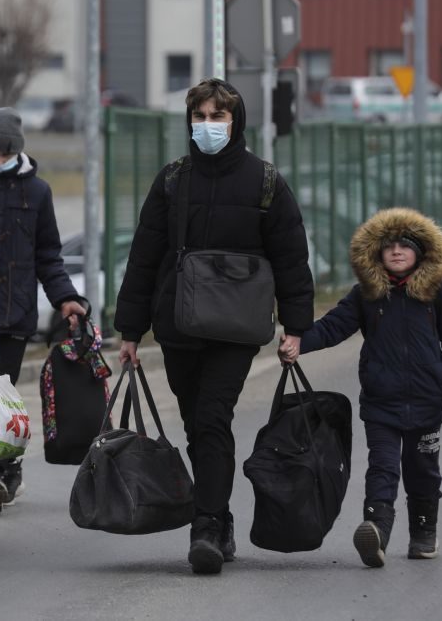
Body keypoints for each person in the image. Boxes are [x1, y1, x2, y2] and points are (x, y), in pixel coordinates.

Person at [114, 78, 314, 575]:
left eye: (217, 117)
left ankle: (204, 525)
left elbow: (291, 257)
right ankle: (219, 515)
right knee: (195, 424)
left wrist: (296, 325)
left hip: (236, 328)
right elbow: (144, 258)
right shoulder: (173, 179)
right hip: (180, 324)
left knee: (212, 419)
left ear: (235, 121)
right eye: (199, 117)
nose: (207, 126)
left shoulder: (266, 182)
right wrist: (130, 331)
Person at [279, 207, 442, 568]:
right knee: (382, 467)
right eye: (389, 247)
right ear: (377, 254)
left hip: (428, 402)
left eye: (405, 245)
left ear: (421, 252)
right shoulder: (366, 295)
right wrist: (299, 343)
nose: (397, 251)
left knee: (422, 470)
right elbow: (333, 327)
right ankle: (376, 530)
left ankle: (423, 531)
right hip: (381, 401)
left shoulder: (437, 293)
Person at [0, 106, 87, 515]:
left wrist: (65, 298)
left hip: (14, 312)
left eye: (3, 152)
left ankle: (0, 471)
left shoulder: (38, 192)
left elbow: (48, 254)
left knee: (1, 396)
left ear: (17, 149)